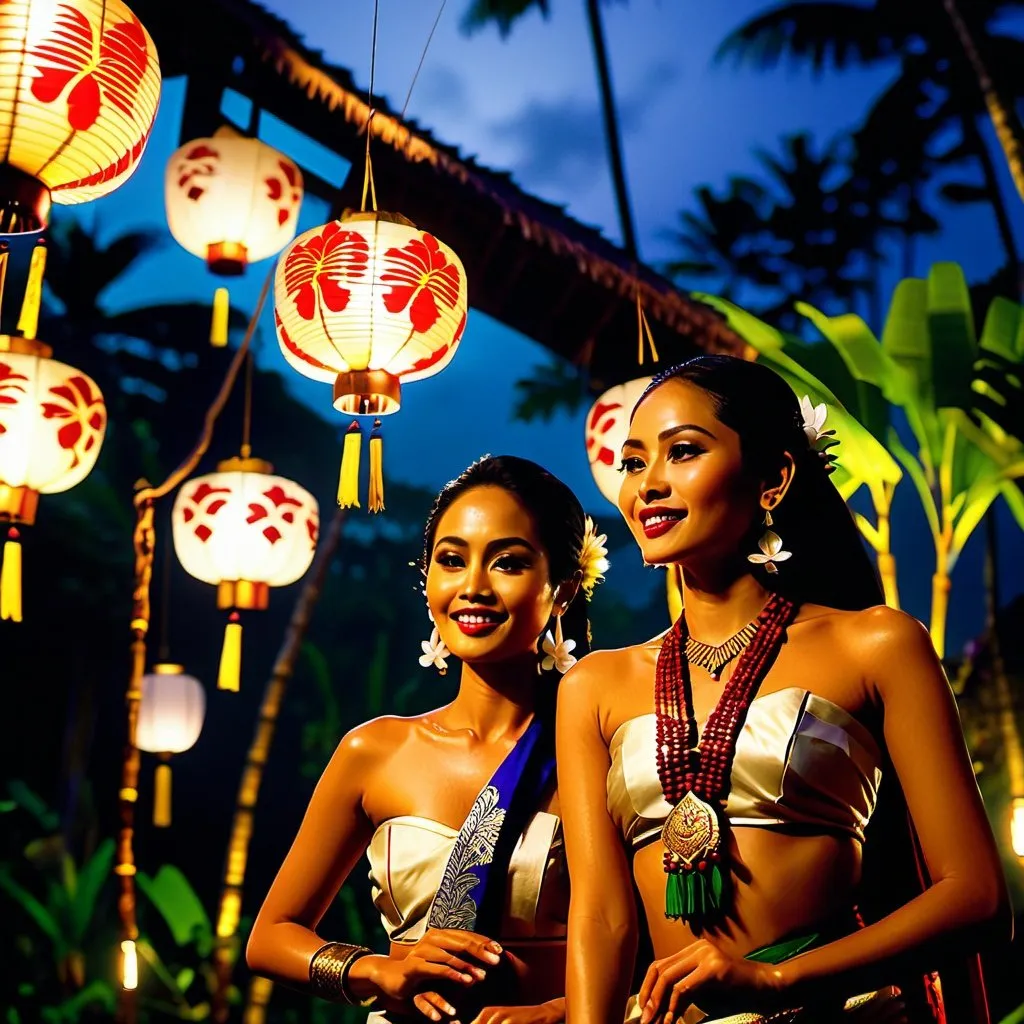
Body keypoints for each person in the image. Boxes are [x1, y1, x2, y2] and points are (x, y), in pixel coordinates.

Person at [556, 355, 1011, 1024]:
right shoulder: (593, 684)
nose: (647, 484)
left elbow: (976, 898)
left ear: (772, 478)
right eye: (631, 462)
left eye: (682, 452)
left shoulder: (878, 645)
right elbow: (600, 919)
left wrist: (779, 980)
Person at [247, 455, 609, 1023]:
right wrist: (374, 970)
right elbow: (270, 938)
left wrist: (561, 1013)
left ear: (561, 592)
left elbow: (657, 948)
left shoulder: (598, 753)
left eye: (508, 563)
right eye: (451, 561)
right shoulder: (375, 752)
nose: (473, 588)